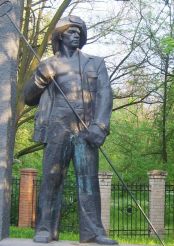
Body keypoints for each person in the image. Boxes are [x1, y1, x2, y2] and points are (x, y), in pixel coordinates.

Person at [24, 15, 118, 245]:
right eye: (71, 31)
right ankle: (45, 228)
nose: (77, 34)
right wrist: (40, 78)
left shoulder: (95, 63)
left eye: (79, 31)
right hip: (57, 127)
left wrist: (100, 126)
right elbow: (28, 97)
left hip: (86, 128)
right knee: (51, 178)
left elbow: (106, 95)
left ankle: (93, 232)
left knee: (88, 181)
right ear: (60, 35)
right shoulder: (49, 64)